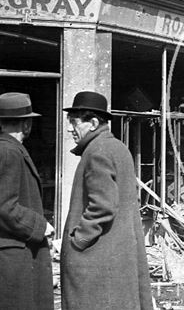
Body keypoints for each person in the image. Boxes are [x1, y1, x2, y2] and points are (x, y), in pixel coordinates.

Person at [60, 91, 153, 310]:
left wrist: (79, 239)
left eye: (74, 123)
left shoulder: (97, 151)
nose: (69, 129)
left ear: (93, 123)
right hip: (117, 257)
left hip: (98, 260)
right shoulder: (116, 147)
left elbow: (103, 205)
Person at [0, 92, 54, 310]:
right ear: (26, 124)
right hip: (13, 254)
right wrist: (41, 226)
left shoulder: (8, 149)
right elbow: (4, 205)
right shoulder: (8, 152)